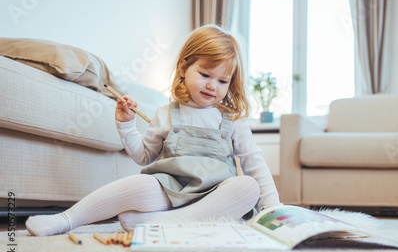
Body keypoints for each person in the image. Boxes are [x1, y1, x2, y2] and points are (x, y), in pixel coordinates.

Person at [26, 24, 282, 237]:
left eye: (223, 81)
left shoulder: (233, 120)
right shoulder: (166, 114)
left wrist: (274, 209)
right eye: (205, 74)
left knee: (248, 186)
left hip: (215, 197)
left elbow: (254, 163)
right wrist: (126, 124)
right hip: (169, 192)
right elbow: (143, 156)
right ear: (184, 68)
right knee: (140, 183)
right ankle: (66, 219)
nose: (213, 86)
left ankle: (162, 223)